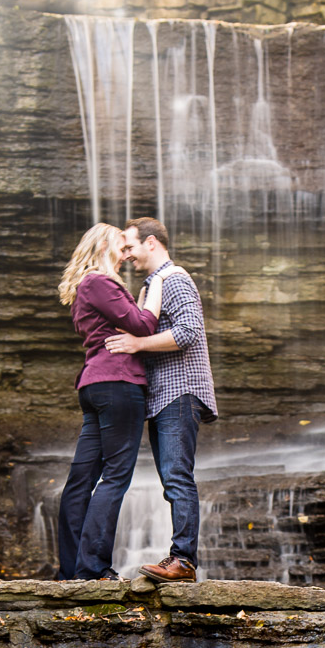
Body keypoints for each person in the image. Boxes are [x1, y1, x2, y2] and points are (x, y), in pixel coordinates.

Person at [104, 217, 217, 583]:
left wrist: (137, 344)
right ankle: (179, 558)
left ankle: (183, 561)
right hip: (163, 395)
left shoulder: (176, 279)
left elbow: (187, 332)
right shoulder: (155, 284)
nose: (127, 254)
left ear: (151, 243)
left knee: (177, 477)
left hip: (180, 391)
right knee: (172, 477)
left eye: (131, 246)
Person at [55, 223, 162, 580]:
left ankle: (73, 570)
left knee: (81, 479)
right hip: (118, 382)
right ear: (103, 245)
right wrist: (156, 286)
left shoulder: (86, 286)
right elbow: (143, 325)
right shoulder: (100, 282)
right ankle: (93, 567)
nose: (126, 253)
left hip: (96, 384)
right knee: (115, 476)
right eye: (121, 245)